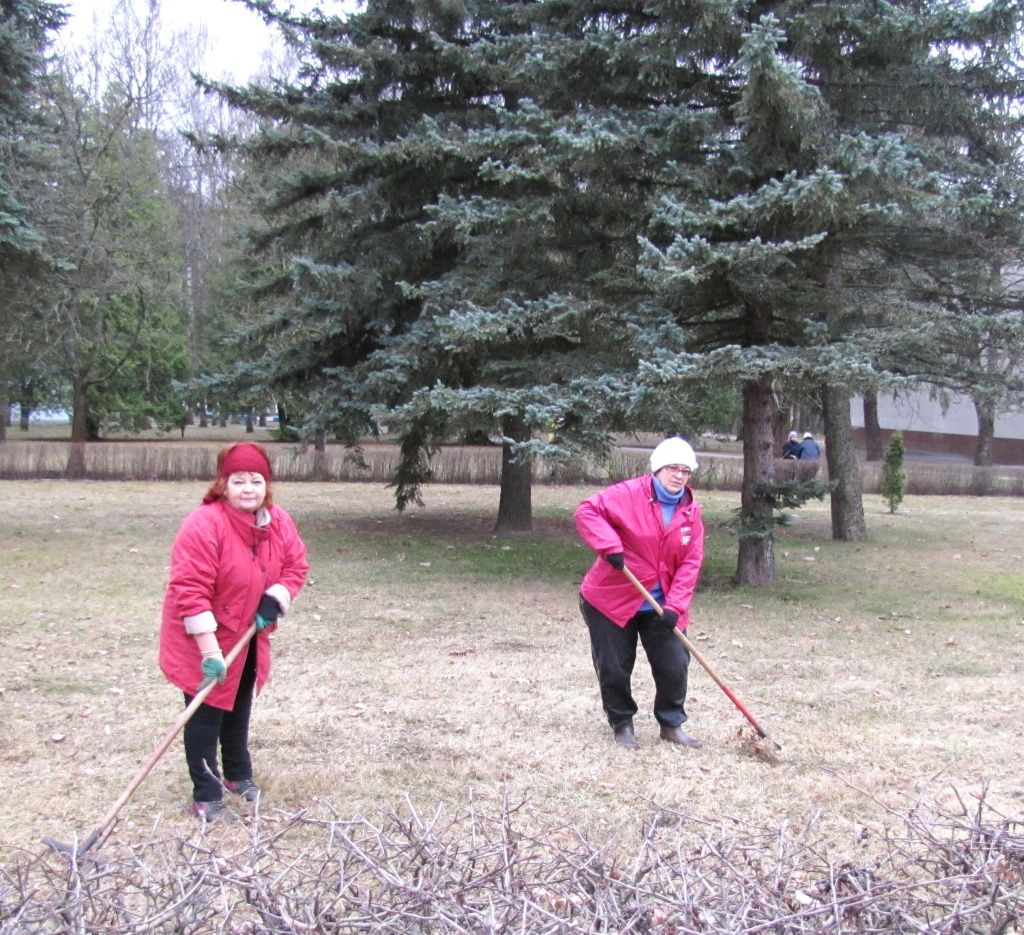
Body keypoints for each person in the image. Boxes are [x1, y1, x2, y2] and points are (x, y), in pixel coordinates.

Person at [159, 442, 309, 821]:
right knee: (206, 715)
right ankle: (206, 794)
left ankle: (238, 775)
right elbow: (189, 590)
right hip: (203, 638)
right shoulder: (205, 523)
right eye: (238, 480)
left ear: (266, 485)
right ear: (222, 484)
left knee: (239, 705)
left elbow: (296, 566)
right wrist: (210, 652)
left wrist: (275, 597)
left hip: (248, 637)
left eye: (256, 481)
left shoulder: (278, 522)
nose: (248, 488)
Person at [574, 436, 705, 750]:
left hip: (661, 605)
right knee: (615, 665)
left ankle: (671, 723)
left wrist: (675, 604)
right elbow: (586, 512)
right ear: (658, 468)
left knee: (675, 662)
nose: (679, 475)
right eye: (673, 468)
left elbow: (691, 560)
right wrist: (610, 546)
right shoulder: (629, 494)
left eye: (685, 470)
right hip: (612, 598)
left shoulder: (690, 511)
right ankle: (622, 724)